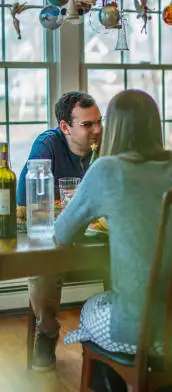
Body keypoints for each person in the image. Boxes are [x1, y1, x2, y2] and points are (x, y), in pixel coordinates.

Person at [56, 89, 172, 392]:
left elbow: (62, 234)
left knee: (88, 311)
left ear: (112, 127)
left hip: (140, 328)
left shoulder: (106, 169)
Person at [20, 91, 102, 372]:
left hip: (101, 239)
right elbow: (24, 201)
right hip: (61, 239)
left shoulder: (105, 148)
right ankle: (47, 332)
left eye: (98, 122)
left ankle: (114, 337)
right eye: (88, 125)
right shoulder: (48, 146)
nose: (97, 130)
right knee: (43, 264)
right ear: (65, 127)